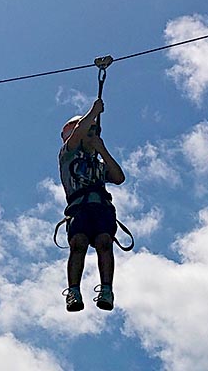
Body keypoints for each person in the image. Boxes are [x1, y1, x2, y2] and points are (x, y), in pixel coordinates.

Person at [59, 99, 125, 312]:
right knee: (78, 243)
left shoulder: (98, 164)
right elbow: (79, 131)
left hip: (101, 207)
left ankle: (107, 290)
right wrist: (94, 112)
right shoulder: (68, 154)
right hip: (80, 208)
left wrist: (102, 150)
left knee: (104, 242)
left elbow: (118, 177)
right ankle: (74, 291)